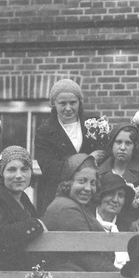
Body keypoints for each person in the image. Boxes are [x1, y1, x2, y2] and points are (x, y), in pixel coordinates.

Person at [42, 154, 116, 278]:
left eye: (93, 183)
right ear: (68, 183)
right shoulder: (66, 209)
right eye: (82, 181)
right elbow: (90, 260)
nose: (88, 188)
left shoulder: (73, 205)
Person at [35, 79, 104, 215]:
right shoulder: (44, 132)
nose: (68, 108)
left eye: (73, 103)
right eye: (62, 103)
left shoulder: (94, 124)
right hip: (58, 196)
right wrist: (87, 159)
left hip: (89, 195)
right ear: (54, 104)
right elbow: (49, 166)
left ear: (80, 102)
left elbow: (104, 154)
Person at [0, 146, 46, 278]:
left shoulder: (24, 200)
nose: (19, 176)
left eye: (24, 169)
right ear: (1, 173)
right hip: (1, 276)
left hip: (25, 274)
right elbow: (0, 236)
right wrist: (36, 224)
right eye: (11, 170)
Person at [97, 123, 139, 229]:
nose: (122, 148)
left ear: (135, 146)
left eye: (128, 143)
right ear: (112, 144)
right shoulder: (99, 172)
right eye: (118, 142)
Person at [95, 172, 135, 270]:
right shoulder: (87, 217)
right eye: (110, 193)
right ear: (101, 195)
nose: (115, 200)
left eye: (121, 195)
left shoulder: (127, 226)